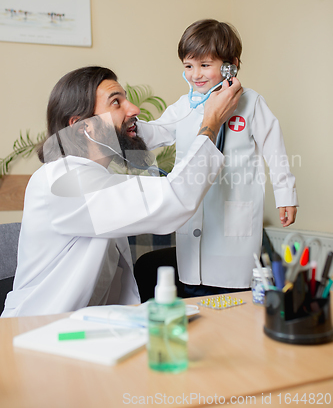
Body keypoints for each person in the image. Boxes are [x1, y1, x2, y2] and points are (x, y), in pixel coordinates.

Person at [1, 65, 242, 317]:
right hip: (37, 332)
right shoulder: (63, 182)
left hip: (88, 328)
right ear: (83, 127)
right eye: (116, 102)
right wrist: (210, 124)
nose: (134, 109)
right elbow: (175, 198)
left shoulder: (100, 179)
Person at [137, 19, 298, 297]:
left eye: (204, 65)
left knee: (232, 293)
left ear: (230, 65)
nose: (195, 75)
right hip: (195, 212)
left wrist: (286, 195)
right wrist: (127, 125)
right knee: (193, 288)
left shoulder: (251, 102)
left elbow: (276, 151)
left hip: (235, 213)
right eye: (188, 66)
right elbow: (157, 133)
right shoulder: (186, 105)